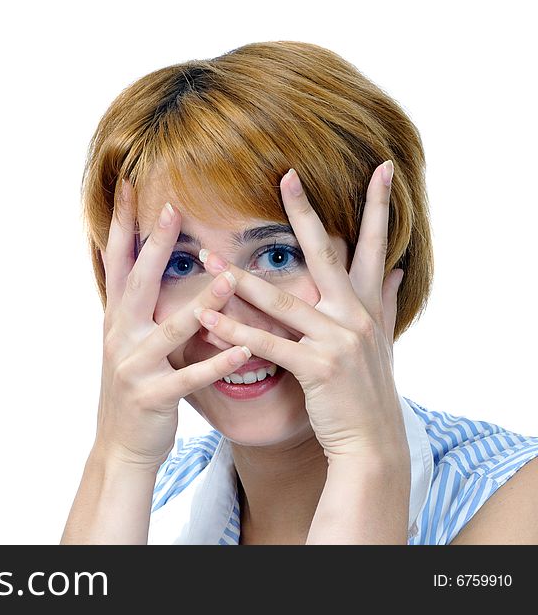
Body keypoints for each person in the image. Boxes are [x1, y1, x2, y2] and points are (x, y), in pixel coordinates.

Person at [61, 41, 538, 545]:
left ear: (380, 262)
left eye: (278, 256)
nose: (228, 320)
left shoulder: (514, 501)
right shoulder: (163, 493)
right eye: (179, 264)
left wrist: (364, 457)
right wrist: (120, 458)